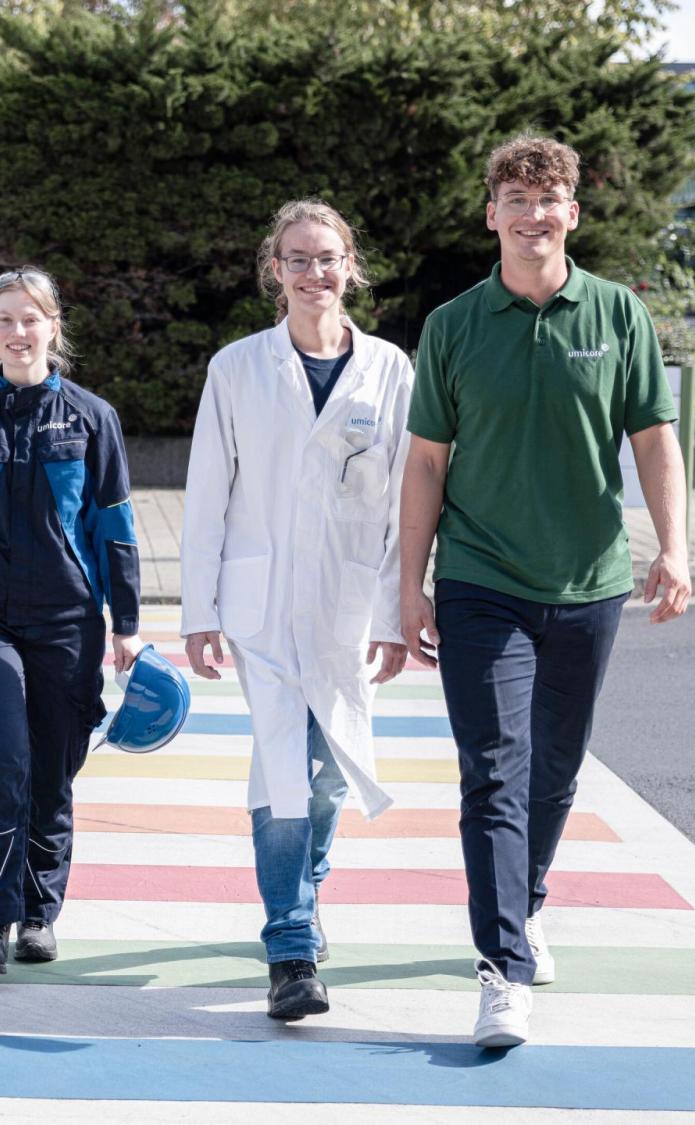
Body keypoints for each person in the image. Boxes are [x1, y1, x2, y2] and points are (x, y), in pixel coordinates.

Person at [398, 136, 692, 1048]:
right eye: (516, 200)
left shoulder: (616, 313)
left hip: (589, 579)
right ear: (492, 214)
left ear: (573, 213)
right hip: (481, 577)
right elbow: (426, 462)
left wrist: (675, 547)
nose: (533, 214)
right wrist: (409, 583)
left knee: (556, 770)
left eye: (548, 198)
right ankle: (503, 968)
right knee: (494, 769)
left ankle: (522, 905)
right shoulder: (453, 325)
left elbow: (653, 438)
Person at [179, 200, 415, 1021]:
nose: (315, 272)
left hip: (348, 602)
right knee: (284, 764)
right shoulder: (238, 368)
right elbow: (206, 494)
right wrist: (199, 610)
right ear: (274, 270)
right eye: (298, 258)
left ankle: (303, 898)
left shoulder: (389, 370)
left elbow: (405, 504)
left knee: (331, 767)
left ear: (350, 267)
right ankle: (289, 946)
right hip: (263, 601)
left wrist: (398, 612)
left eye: (327, 258)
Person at [0, 267, 142, 975]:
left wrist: (127, 623)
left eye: (30, 319)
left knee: (51, 768)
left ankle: (39, 912)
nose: (17, 332)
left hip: (68, 618)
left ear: (53, 328)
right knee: (0, 754)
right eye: (5, 319)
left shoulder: (93, 418)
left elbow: (115, 527)